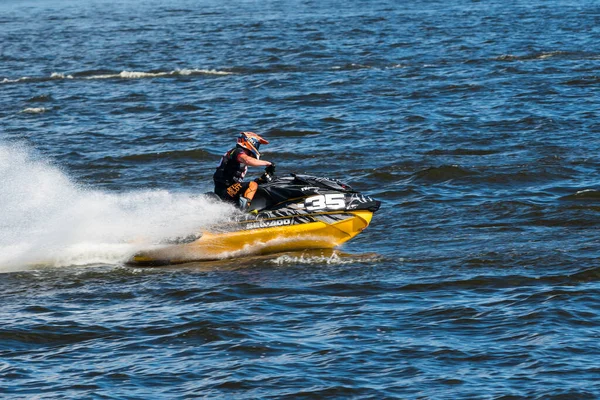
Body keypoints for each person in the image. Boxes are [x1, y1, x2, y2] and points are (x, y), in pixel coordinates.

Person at [213, 131, 275, 210]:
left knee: (257, 184)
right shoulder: (237, 151)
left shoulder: (238, 155)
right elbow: (247, 160)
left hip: (230, 190)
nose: (257, 148)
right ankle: (243, 212)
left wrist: (261, 180)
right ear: (251, 142)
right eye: (257, 145)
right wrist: (267, 163)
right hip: (225, 191)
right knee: (252, 185)